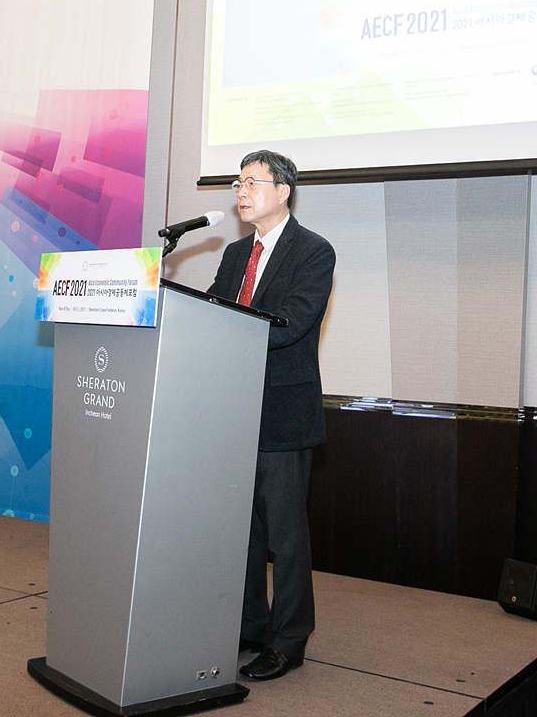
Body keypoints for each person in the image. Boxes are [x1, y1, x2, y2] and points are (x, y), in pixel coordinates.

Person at [207, 149, 336, 683]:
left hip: (283, 412)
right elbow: (209, 312)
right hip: (233, 410)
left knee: (285, 536)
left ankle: (289, 640)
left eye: (252, 182)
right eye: (238, 183)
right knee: (242, 534)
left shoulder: (313, 251)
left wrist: (227, 326)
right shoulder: (236, 253)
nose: (241, 191)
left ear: (283, 191)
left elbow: (293, 322)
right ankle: (250, 626)